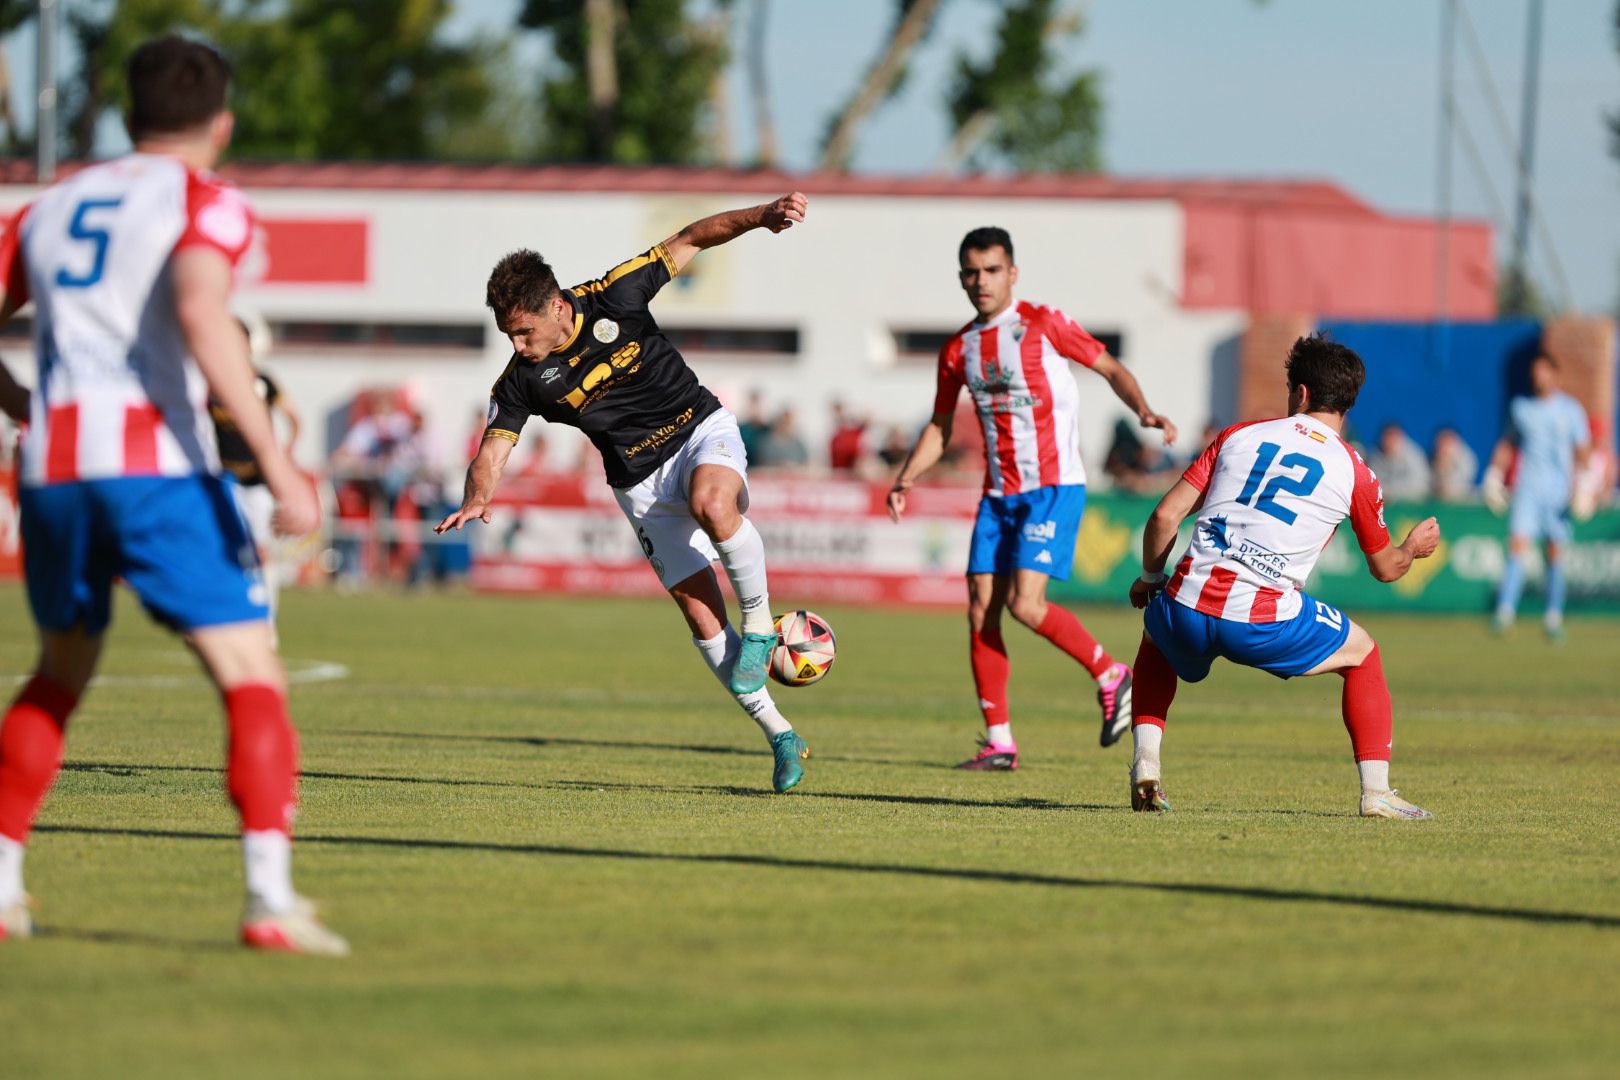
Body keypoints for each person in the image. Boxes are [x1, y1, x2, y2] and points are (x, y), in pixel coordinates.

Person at [0, 35, 345, 952]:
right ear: (221, 123)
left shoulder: (51, 208)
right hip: (156, 470)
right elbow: (201, 309)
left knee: (58, 673)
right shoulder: (208, 201)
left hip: (55, 471)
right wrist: (279, 467)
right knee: (248, 676)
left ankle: (1, 889)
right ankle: (269, 900)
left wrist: (22, 402)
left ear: (127, 115)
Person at [436, 192, 813, 793]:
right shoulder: (522, 381)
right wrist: (478, 497)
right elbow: (493, 448)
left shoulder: (616, 293)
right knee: (699, 615)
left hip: (698, 432)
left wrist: (762, 216)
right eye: (508, 335)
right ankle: (780, 735)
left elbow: (692, 235)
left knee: (713, 503)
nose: (516, 345)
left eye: (523, 331)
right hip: (638, 485)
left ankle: (762, 625)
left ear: (557, 306)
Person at [886, 226, 1178, 770]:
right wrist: (906, 478)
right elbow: (940, 425)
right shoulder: (958, 349)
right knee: (980, 612)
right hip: (998, 494)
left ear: (1012, 273)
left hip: (1053, 485)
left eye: (992, 270)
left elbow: (1109, 366)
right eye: (971, 272)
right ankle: (999, 741)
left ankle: (1113, 675)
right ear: (961, 278)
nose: (981, 281)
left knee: (1025, 604)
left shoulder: (1042, 323)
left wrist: (1142, 410)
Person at [1125, 333, 1441, 819]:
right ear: (1346, 402)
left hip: (1187, 605)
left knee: (1157, 635)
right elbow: (1386, 569)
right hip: (1262, 622)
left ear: (1301, 394)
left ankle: (1147, 764)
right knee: (1364, 656)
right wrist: (1412, 548)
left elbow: (1165, 517)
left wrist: (1150, 576)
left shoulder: (1237, 435)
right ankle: (1376, 793)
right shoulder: (1356, 470)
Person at [1484, 354, 1592, 639]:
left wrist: (1586, 484)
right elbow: (1508, 444)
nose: (1539, 378)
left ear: (1555, 375)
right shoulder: (1521, 408)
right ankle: (1504, 614)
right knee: (1517, 548)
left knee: (1555, 553)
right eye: (1535, 373)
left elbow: (1583, 451)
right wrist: (1494, 476)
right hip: (1527, 490)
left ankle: (1553, 618)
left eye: (1544, 372)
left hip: (1559, 493)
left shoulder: (1571, 410)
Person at [209, 313, 301, 636]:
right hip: (222, 479)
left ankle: (266, 621)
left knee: (261, 550)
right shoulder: (211, 383)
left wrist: (287, 452)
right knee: (225, 548)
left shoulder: (263, 382)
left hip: (258, 481)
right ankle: (231, 616)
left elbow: (293, 417)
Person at [1367, 421, 1431, 502]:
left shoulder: (1414, 454)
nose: (1389, 442)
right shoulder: (1375, 456)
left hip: (1413, 505)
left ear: (1401, 438)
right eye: (1387, 438)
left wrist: (1392, 493)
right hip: (1386, 507)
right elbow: (1373, 486)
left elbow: (1420, 485)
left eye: (1393, 438)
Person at [1430, 425, 1478, 502]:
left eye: (1448, 443)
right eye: (1442, 443)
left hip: (1461, 504)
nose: (1444, 447)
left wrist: (1445, 467)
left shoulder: (1468, 459)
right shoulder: (1431, 459)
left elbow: (1454, 490)